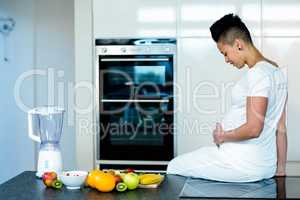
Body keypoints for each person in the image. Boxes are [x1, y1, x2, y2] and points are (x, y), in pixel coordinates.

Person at [167, 13, 288, 182]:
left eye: (225, 53)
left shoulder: (257, 74)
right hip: (261, 164)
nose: (226, 60)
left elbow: (254, 129)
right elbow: (281, 127)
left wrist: (222, 136)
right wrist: (280, 169)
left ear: (238, 45)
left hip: (241, 163)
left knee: (174, 166)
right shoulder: (277, 72)